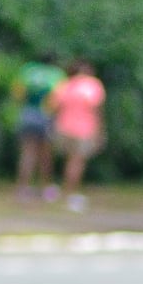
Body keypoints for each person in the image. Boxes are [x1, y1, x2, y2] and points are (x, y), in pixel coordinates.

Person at [47, 59, 106, 211]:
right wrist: (100, 131)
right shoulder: (92, 85)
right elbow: (97, 110)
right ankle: (70, 193)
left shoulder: (64, 85)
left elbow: (53, 107)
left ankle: (58, 189)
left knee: (67, 161)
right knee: (76, 162)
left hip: (63, 127)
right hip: (84, 129)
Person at [11, 55, 64, 201]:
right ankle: (46, 188)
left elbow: (17, 93)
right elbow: (57, 98)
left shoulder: (28, 70)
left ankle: (22, 188)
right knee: (46, 154)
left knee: (27, 153)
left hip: (28, 114)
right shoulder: (56, 74)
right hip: (46, 116)